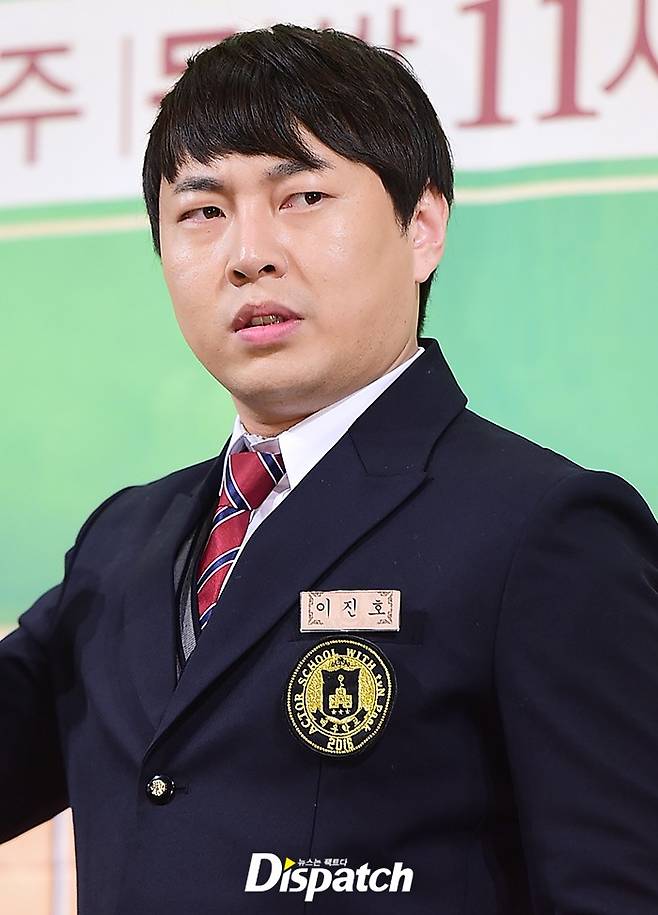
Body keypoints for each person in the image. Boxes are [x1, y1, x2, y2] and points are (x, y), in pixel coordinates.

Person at [2, 22, 657, 915]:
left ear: (422, 227)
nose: (249, 254)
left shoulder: (545, 529)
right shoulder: (121, 544)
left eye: (303, 196)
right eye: (202, 212)